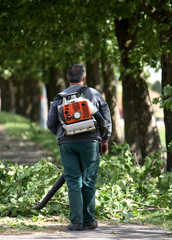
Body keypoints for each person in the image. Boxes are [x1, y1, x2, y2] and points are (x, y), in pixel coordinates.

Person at [47, 64, 112, 231]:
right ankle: (89, 220)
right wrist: (104, 139)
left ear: (68, 78)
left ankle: (76, 222)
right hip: (91, 143)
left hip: (67, 144)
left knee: (74, 181)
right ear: (83, 78)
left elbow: (50, 124)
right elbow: (105, 118)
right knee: (89, 180)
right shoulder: (94, 94)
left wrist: (63, 135)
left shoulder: (59, 97)